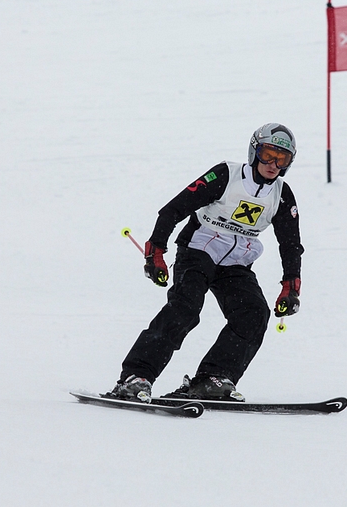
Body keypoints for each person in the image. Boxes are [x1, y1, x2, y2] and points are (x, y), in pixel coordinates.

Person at [105, 123, 303, 403]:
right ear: (254, 152)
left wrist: (291, 287)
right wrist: (156, 252)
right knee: (185, 307)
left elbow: (291, 244)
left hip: (236, 263)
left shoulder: (281, 195)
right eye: (268, 154)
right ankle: (135, 377)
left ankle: (213, 378)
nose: (273, 164)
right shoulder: (226, 175)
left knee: (254, 313)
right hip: (199, 250)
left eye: (282, 159)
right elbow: (173, 209)